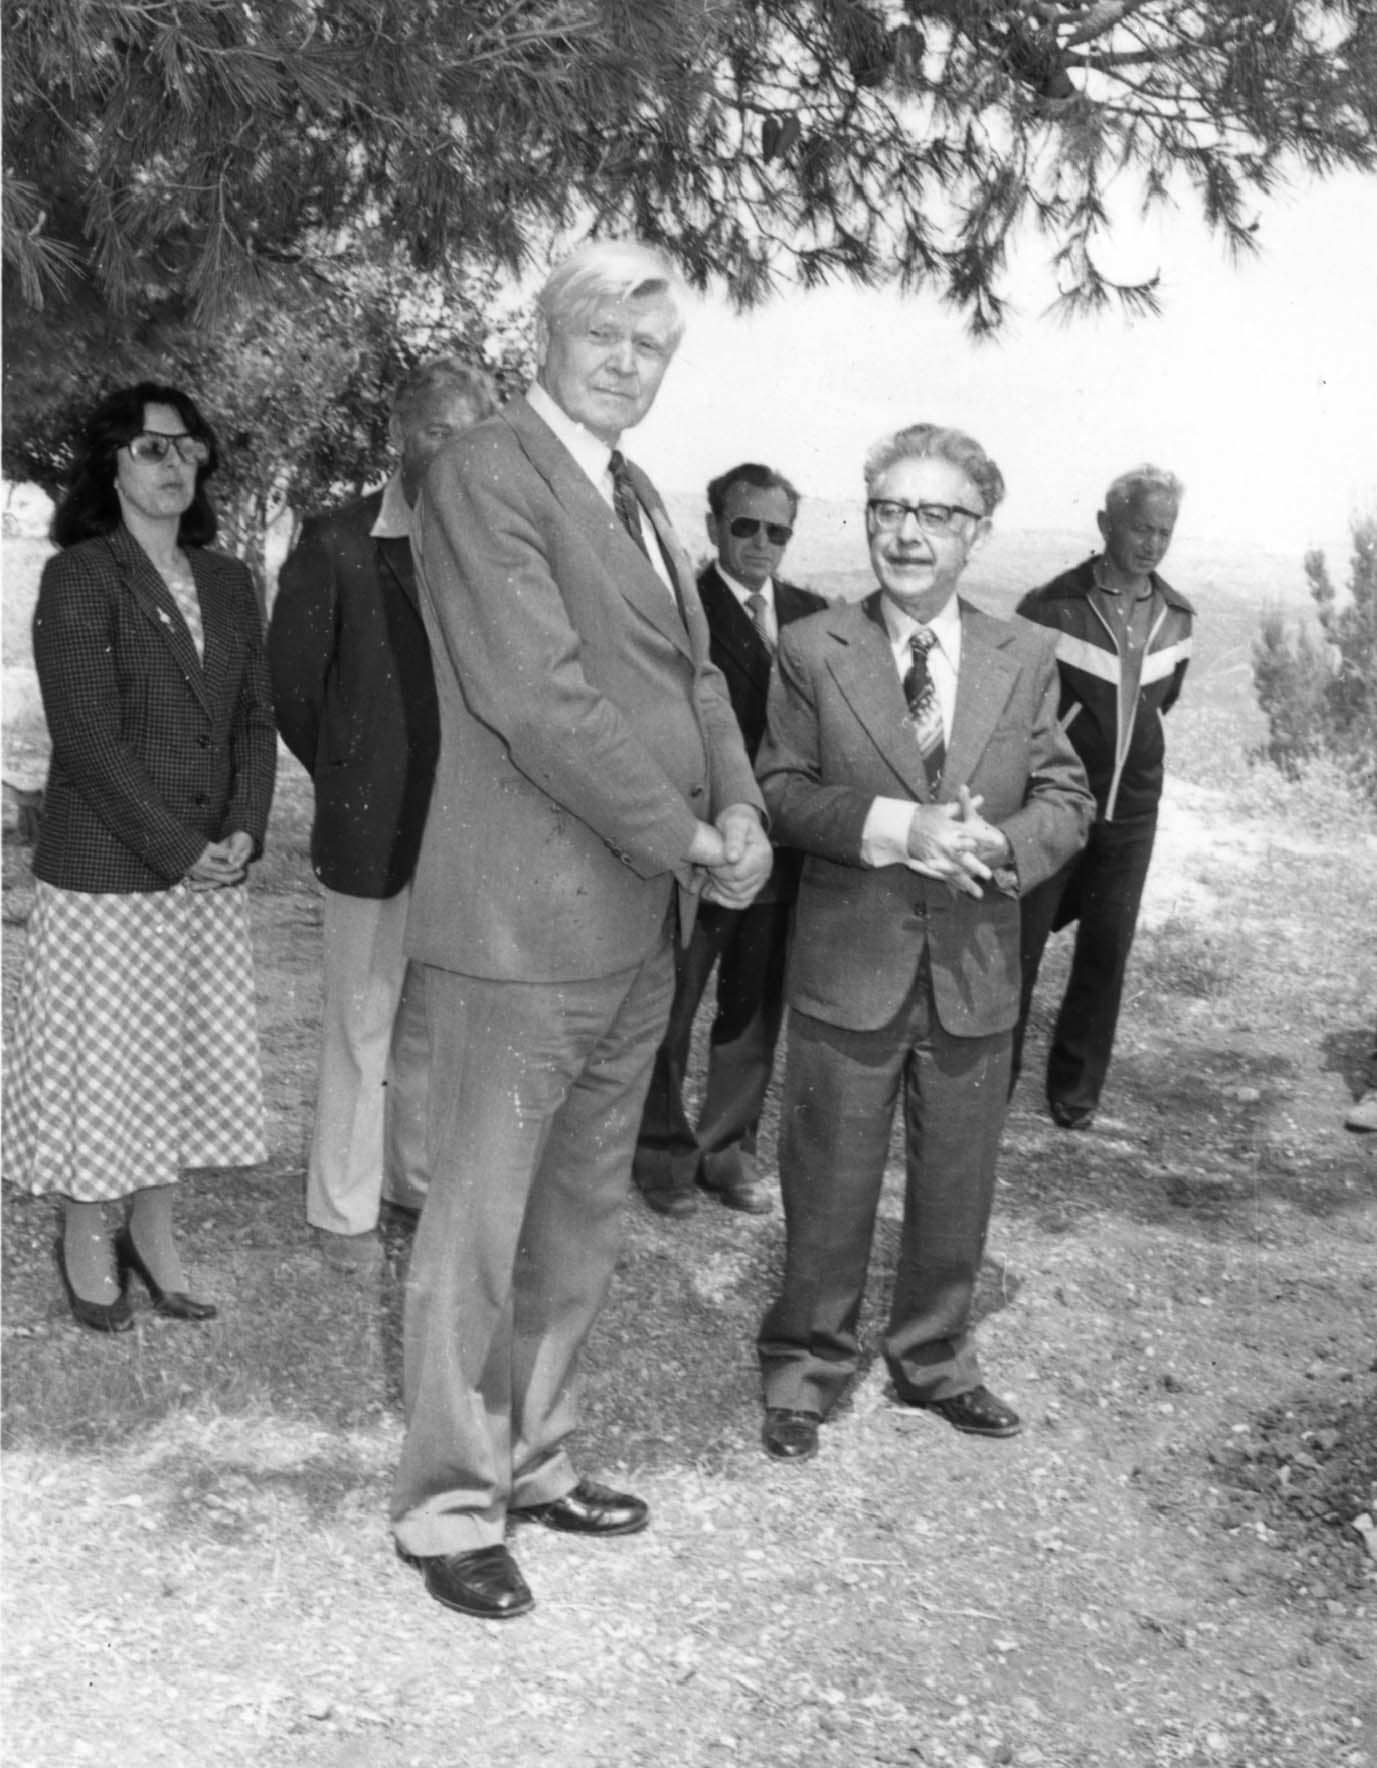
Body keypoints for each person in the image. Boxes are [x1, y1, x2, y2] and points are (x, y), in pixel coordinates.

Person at [392, 241, 771, 1620]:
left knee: (579, 1224)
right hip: (518, 924)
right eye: (601, 334)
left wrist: (741, 817)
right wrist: (685, 839)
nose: (625, 363)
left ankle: (534, 1464)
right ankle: (445, 1508)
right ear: (543, 335)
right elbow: (538, 701)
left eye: (649, 347)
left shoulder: (639, 492)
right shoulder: (487, 471)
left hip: (635, 928)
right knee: (478, 1235)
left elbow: (699, 682)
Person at [754, 422, 1093, 1462]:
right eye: (889, 510)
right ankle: (805, 1367)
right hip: (849, 962)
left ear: (976, 533)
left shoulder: (1023, 653)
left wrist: (1005, 845)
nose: (906, 535)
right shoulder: (814, 648)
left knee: (958, 1176)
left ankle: (935, 1358)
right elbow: (781, 791)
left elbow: (1068, 796)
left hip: (974, 967)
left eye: (934, 514)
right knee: (828, 1172)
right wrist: (897, 830)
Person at [2, 383, 276, 1332]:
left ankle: (152, 1234)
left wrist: (244, 823)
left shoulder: (233, 581)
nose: (174, 466)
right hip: (112, 871)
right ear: (111, 462)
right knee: (106, 1064)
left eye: (188, 449)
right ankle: (84, 1235)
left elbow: (253, 717)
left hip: (205, 872)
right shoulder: (81, 576)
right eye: (152, 449)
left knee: (178, 1060)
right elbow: (86, 739)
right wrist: (179, 846)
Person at [268, 358, 497, 1274]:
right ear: (403, 435)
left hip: (467, 835)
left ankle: (414, 1186)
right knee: (360, 1026)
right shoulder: (337, 540)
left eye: (471, 433)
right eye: (439, 430)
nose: (453, 451)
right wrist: (355, 773)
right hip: (372, 831)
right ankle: (342, 1211)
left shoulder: (492, 544)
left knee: (436, 1029)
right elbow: (292, 691)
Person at [633, 463, 827, 1217]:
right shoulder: (683, 612)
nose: (760, 543)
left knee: (752, 1009)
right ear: (714, 527)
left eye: (776, 530)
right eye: (744, 525)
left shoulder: (812, 617)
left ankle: (726, 1152)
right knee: (673, 1003)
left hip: (783, 855)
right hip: (703, 851)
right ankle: (660, 1158)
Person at [1012, 466, 1193, 1129]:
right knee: (1021, 943)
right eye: (1140, 527)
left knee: (1105, 949)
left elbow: (1159, 704)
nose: (1152, 543)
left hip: (1132, 813)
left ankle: (1075, 1089)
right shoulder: (1049, 606)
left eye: (1163, 532)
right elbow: (1017, 711)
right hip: (1055, 807)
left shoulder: (1178, 618)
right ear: (1105, 525)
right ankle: (987, 1080)